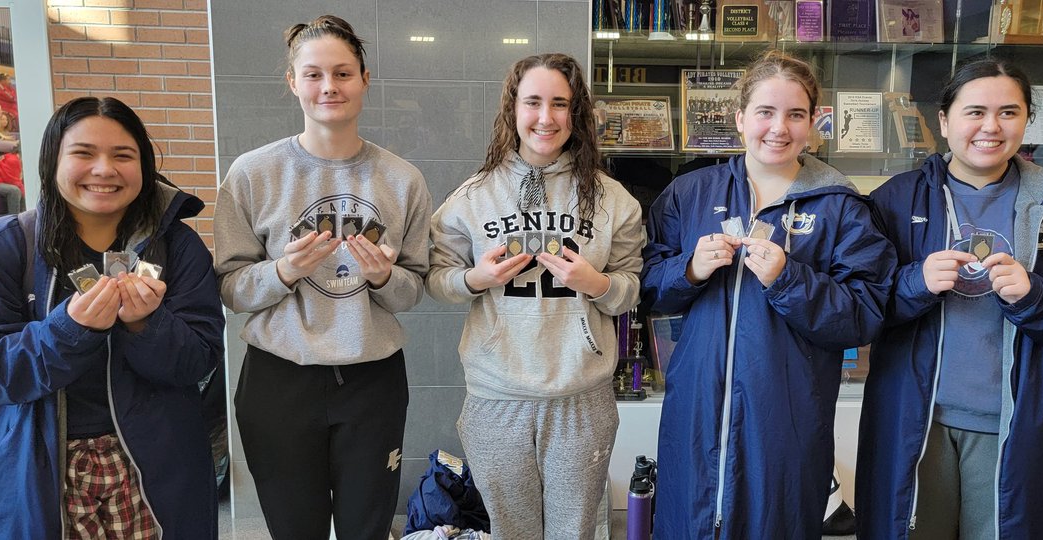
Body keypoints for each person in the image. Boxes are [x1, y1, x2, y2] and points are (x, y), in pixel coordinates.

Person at [855, 58, 1043, 540]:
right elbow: (856, 304)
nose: (991, 127)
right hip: (915, 422)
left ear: (1026, 120)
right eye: (974, 112)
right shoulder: (895, 200)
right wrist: (914, 282)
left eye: (1008, 112)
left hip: (1019, 425)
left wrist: (1038, 295)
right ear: (944, 121)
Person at [640, 50, 896, 538]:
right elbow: (648, 289)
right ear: (740, 118)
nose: (779, 128)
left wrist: (788, 278)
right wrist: (689, 270)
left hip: (786, 419)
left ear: (813, 123)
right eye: (765, 112)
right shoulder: (689, 193)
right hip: (694, 412)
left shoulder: (841, 206)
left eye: (795, 114)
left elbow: (863, 315)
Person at [0, 96, 224, 538]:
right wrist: (68, 330)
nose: (104, 170)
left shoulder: (178, 248)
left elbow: (200, 360)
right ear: (52, 160)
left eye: (123, 155)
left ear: (144, 164)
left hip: (155, 469)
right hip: (36, 468)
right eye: (83, 154)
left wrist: (147, 325)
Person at [213, 15, 430, 540]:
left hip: (370, 381)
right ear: (293, 82)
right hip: (278, 380)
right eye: (313, 75)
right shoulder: (252, 173)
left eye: (342, 73)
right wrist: (284, 271)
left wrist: (383, 279)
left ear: (364, 78)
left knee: (367, 527)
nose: (329, 87)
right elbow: (230, 288)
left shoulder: (402, 179)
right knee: (294, 530)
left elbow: (414, 287)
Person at [426, 52, 645, 537]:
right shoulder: (473, 196)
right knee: (511, 530)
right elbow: (436, 277)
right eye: (533, 102)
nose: (546, 118)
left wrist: (599, 285)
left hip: (580, 395)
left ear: (578, 113)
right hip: (495, 396)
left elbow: (632, 287)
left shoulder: (612, 200)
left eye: (560, 104)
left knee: (575, 530)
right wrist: (474, 279)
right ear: (512, 109)